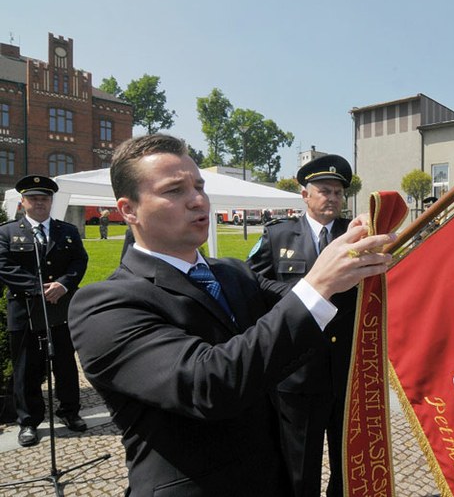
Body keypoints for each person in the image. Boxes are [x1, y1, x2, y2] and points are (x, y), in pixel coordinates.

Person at [68, 134, 393, 496]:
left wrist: (362, 256)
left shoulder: (232, 273)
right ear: (128, 210)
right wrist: (318, 282)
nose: (198, 200)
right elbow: (209, 384)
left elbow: (311, 311)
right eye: (175, 190)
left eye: (199, 186)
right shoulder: (103, 304)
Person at [247, 154, 354, 497]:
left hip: (347, 371)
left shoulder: (354, 235)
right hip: (297, 370)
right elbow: (254, 282)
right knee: (299, 468)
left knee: (346, 463)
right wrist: (302, 293)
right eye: (325, 190)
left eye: (338, 192)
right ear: (305, 195)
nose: (333, 198)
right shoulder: (278, 235)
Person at [0, 175, 89, 447]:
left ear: (51, 201)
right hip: (24, 309)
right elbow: (3, 265)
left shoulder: (68, 231)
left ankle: (70, 412)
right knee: (26, 366)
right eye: (34, 198)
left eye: (45, 198)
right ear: (23, 202)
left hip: (60, 308)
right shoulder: (6, 232)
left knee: (64, 363)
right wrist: (40, 288)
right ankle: (28, 421)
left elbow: (79, 261)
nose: (40, 202)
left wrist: (63, 284)